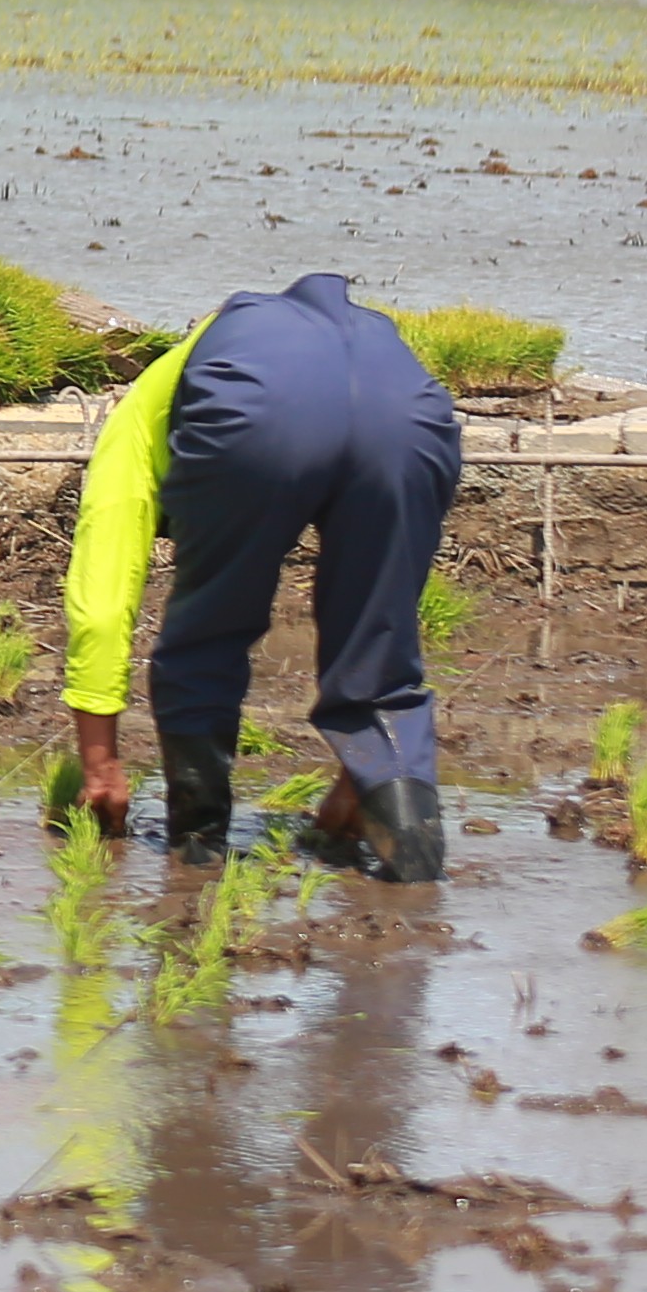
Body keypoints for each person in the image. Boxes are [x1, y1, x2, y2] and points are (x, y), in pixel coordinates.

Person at [53, 273, 466, 883]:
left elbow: (103, 594)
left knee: (207, 634)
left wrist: (99, 765)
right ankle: (414, 875)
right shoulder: (361, 339)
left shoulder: (148, 403)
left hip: (258, 413)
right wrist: (364, 779)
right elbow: (384, 610)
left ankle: (198, 858)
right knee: (380, 654)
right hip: (408, 410)